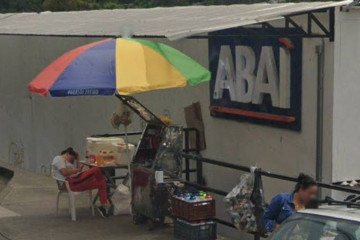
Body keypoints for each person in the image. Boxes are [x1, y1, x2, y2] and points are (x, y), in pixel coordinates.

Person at [51, 147, 110, 217]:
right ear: (67, 154)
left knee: (102, 182)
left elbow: (78, 170)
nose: (72, 160)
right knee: (96, 169)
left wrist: (78, 158)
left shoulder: (66, 162)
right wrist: (76, 171)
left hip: (76, 181)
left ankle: (104, 206)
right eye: (71, 158)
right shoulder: (58, 159)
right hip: (69, 183)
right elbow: (64, 172)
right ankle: (100, 179)